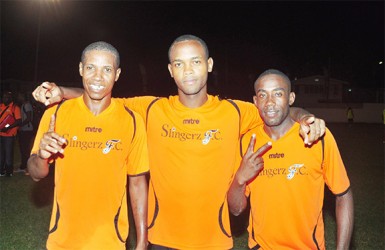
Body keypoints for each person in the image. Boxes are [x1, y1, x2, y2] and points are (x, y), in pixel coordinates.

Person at [32, 35, 326, 249]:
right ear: (170, 70)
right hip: (161, 239)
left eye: (195, 62)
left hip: (215, 241)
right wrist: (63, 91)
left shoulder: (234, 111)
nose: (188, 71)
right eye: (179, 64)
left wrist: (306, 117)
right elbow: (104, 96)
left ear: (209, 65)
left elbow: (276, 111)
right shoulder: (152, 109)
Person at [27, 41, 149, 250]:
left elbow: (137, 184)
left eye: (107, 69)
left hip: (111, 241)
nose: (98, 77)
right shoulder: (56, 114)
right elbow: (36, 173)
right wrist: (41, 156)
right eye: (91, 67)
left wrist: (141, 241)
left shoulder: (132, 120)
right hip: (62, 240)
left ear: (117, 74)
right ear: (81, 69)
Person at [228, 69, 354, 250]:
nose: (270, 102)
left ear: (291, 98)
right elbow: (236, 209)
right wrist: (240, 179)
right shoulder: (247, 143)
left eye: (278, 94)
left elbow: (344, 195)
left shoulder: (317, 137)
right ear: (255, 101)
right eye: (263, 95)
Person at [0, 91, 21, 177]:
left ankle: (9, 172)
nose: (4, 99)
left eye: (7, 97)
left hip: (9, 135)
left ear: (10, 98)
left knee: (8, 154)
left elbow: (19, 121)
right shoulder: (1, 106)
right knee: (1, 154)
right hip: (0, 134)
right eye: (3, 97)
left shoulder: (15, 108)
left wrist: (8, 127)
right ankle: (1, 171)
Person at [15, 92, 35, 175]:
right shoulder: (24, 105)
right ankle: (24, 166)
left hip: (27, 130)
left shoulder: (26, 105)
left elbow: (29, 118)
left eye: (19, 96)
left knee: (25, 149)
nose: (18, 97)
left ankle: (26, 167)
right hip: (25, 129)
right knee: (24, 149)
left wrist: (21, 125)